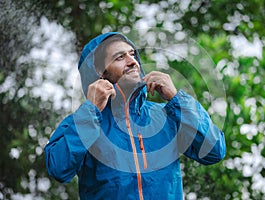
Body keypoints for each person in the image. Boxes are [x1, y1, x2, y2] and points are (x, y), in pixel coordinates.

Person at [44, 32, 226, 200]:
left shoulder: (164, 116)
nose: (132, 61)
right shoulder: (83, 121)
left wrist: (177, 98)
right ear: (100, 71)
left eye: (132, 54)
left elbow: (214, 151)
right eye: (120, 57)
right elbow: (59, 168)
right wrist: (91, 110)